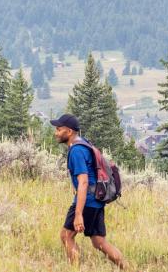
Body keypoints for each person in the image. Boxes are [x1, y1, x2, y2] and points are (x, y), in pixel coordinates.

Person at [52, 113, 125, 269]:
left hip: (87, 201)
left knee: (66, 236)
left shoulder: (77, 150)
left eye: (59, 129)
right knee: (99, 241)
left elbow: (83, 182)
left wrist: (78, 214)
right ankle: (130, 268)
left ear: (69, 131)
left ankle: (75, 269)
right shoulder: (83, 143)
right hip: (96, 200)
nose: (55, 133)